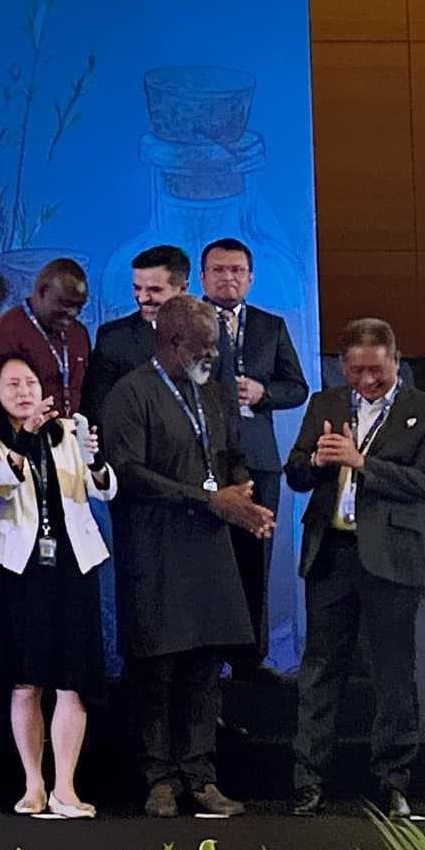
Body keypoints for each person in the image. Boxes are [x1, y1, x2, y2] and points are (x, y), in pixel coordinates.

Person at [104, 293, 273, 819]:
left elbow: (230, 458)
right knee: (158, 668)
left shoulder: (216, 395)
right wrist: (207, 498)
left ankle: (201, 777)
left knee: (205, 669)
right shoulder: (130, 394)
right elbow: (127, 472)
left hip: (210, 549)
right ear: (174, 343)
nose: (215, 357)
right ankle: (158, 778)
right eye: (206, 348)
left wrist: (245, 499)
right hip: (155, 549)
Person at [286, 318, 425, 818]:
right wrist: (317, 461)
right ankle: (308, 781)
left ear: (396, 362)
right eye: (356, 371)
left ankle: (393, 780)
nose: (365, 382)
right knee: (319, 672)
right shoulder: (326, 405)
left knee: (393, 675)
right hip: (332, 555)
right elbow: (296, 473)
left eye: (376, 372)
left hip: (392, 559)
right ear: (342, 367)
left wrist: (362, 463)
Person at [0, 351, 114, 819]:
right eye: (12, 385)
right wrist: (27, 436)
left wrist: (96, 462)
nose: (24, 392)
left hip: (73, 565)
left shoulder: (69, 433)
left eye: (31, 384)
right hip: (19, 571)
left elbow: (101, 489)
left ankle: (66, 788)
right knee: (26, 683)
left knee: (72, 682)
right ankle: (33, 785)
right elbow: (0, 488)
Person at [199, 237, 310, 682]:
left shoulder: (270, 325)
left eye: (237, 270)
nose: (229, 277)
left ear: (251, 277)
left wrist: (265, 394)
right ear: (203, 277)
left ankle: (251, 656)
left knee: (255, 557)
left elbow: (297, 387)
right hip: (204, 457)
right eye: (220, 270)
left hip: (259, 457)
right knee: (207, 559)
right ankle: (205, 654)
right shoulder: (188, 322)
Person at [83, 243, 188, 424]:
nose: (142, 298)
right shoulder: (114, 338)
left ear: (182, 289)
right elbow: (96, 410)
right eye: (137, 288)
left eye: (154, 290)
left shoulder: (210, 333)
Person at [0, 258, 91, 420]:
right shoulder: (2, 335)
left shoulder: (79, 334)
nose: (73, 313)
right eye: (65, 303)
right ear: (41, 291)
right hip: (24, 440)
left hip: (72, 440)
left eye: (79, 306)